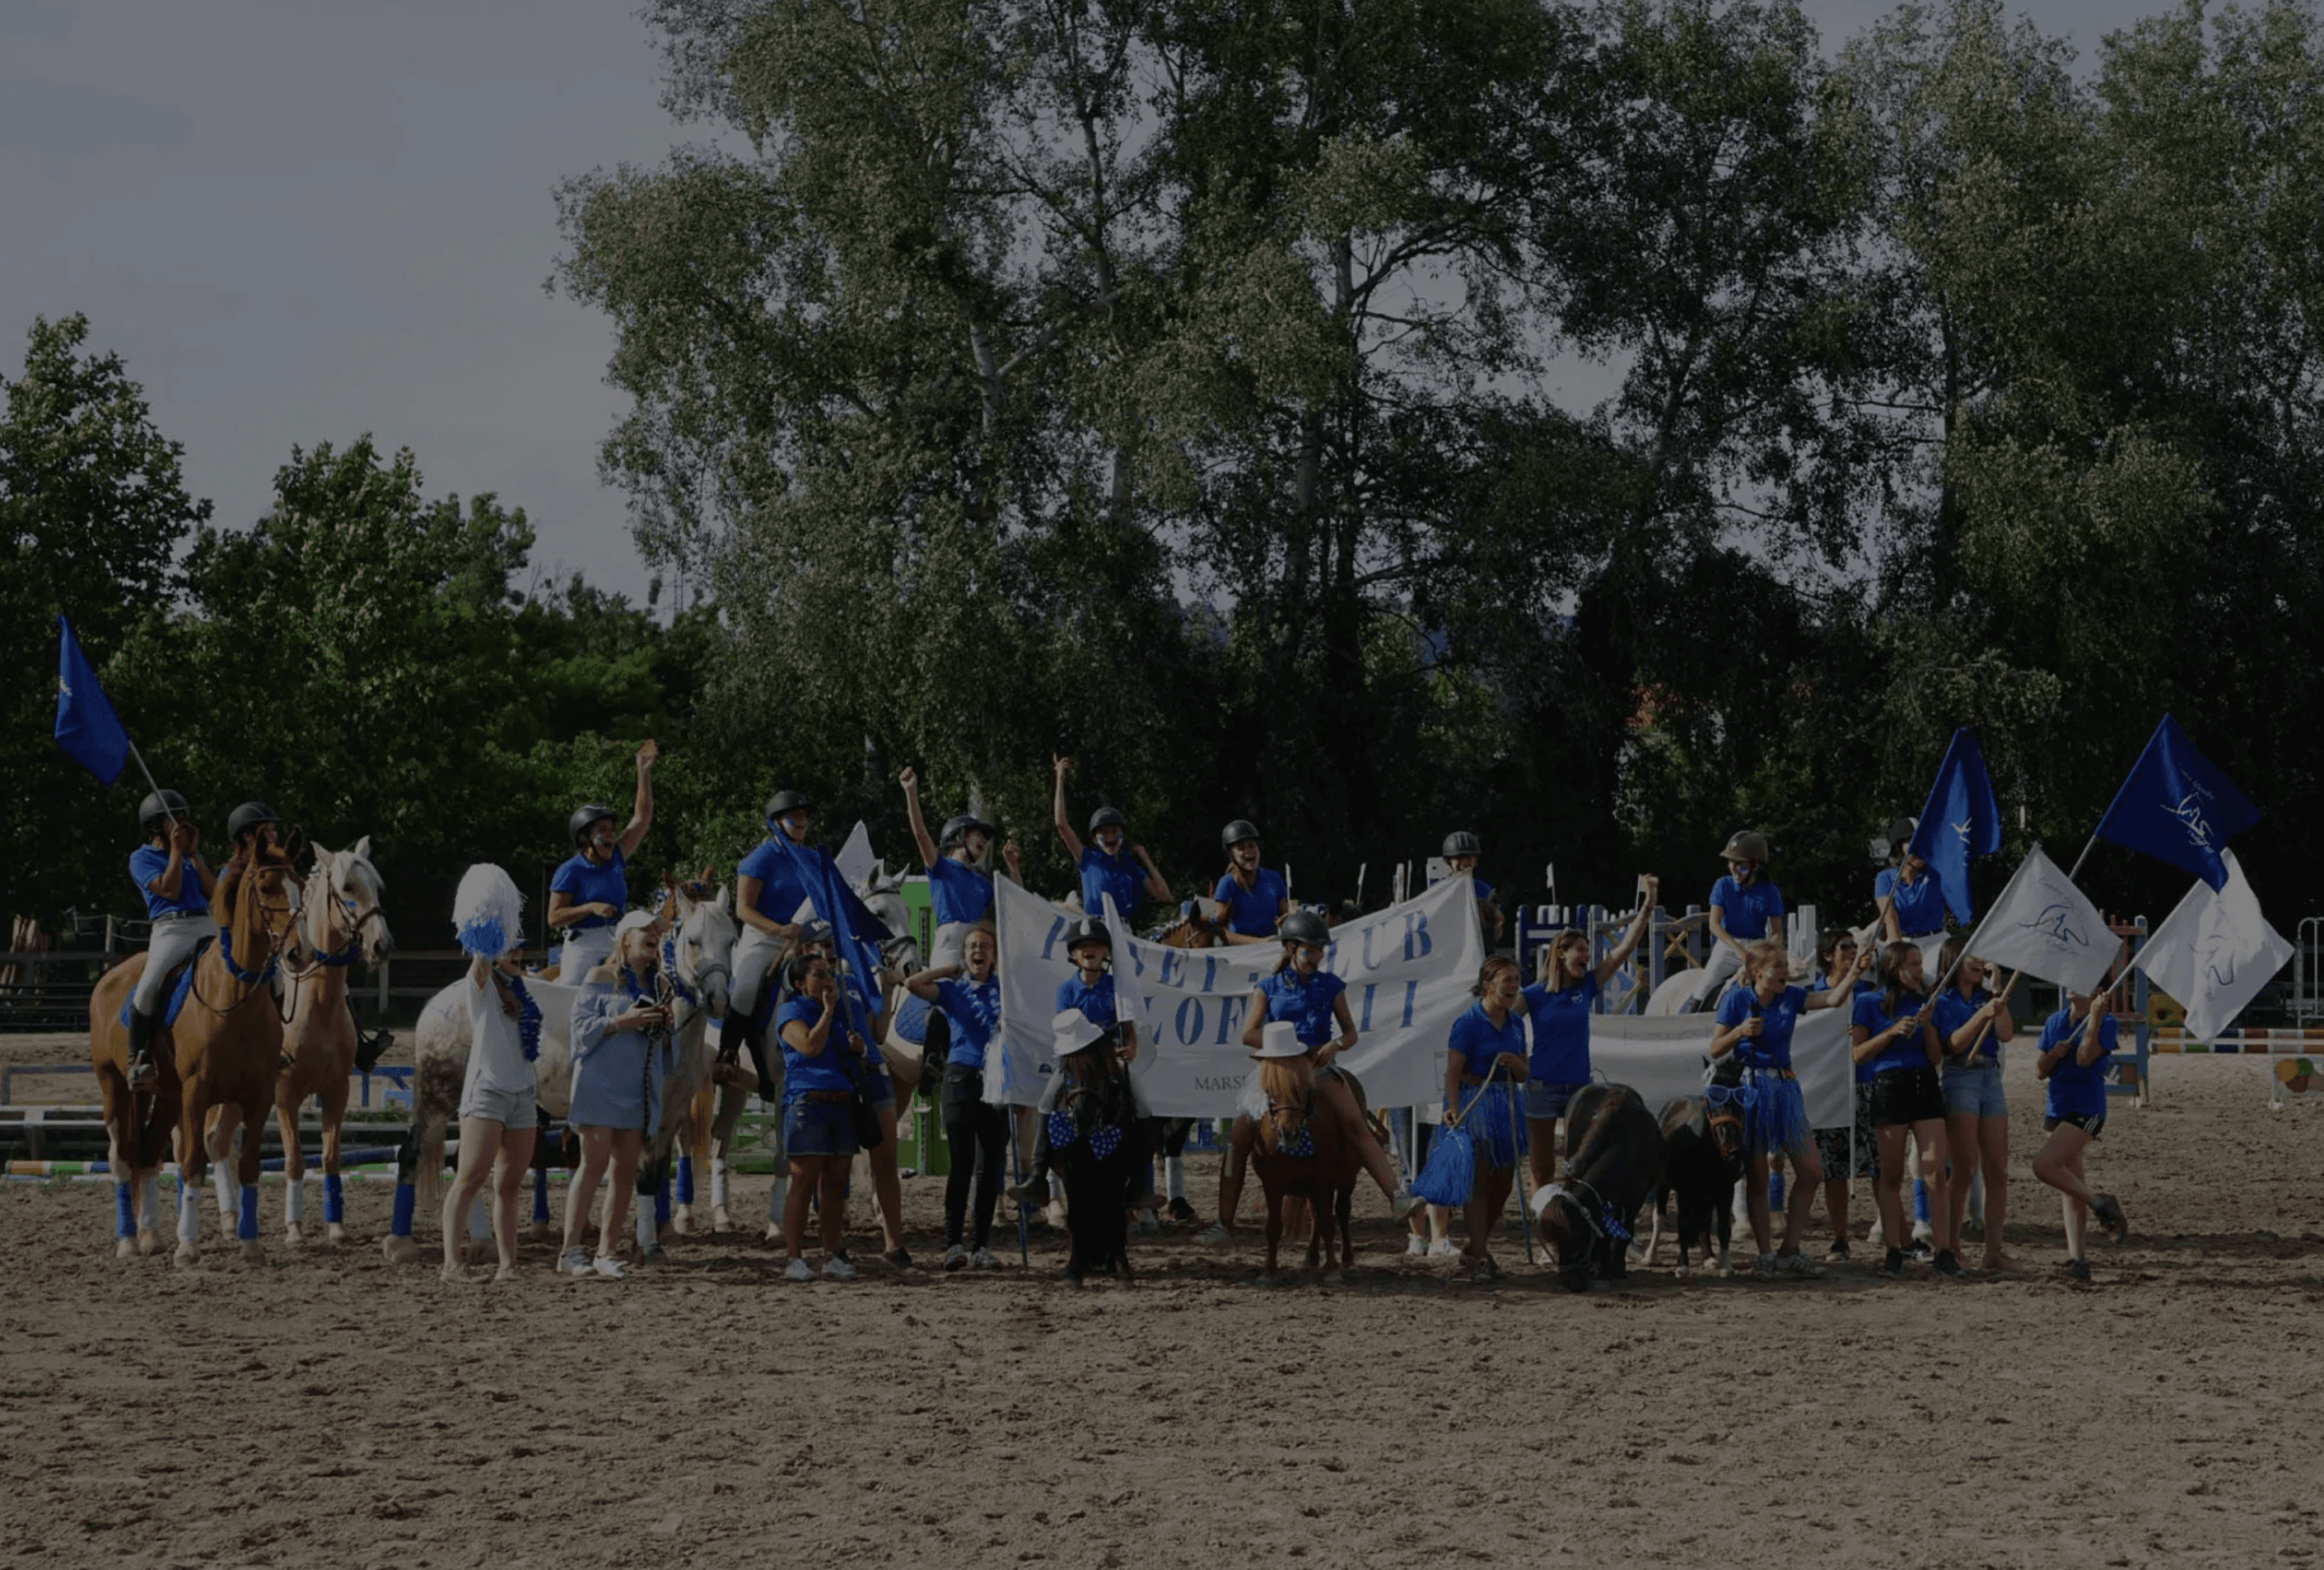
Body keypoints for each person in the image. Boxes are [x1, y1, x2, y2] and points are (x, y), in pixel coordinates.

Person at [1234, 909, 1421, 1225]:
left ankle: (1396, 1196)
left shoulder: (1331, 985)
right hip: (1279, 1071)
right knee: (1240, 1134)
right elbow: (1248, 1033)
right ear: (1291, 948)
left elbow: (1350, 1034)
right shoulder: (1267, 987)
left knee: (1356, 1124)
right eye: (1310, 950)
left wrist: (1335, 1045)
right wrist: (1283, 1046)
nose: (1316, 956)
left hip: (1320, 1069)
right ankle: (1224, 1220)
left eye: (1321, 950)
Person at [1706, 938, 1863, 1278]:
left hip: (1787, 1084)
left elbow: (1834, 999)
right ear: (1756, 972)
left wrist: (1853, 972)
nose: (1785, 972)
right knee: (1759, 1175)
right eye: (1777, 967)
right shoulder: (1736, 999)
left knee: (1811, 1170)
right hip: (1753, 1086)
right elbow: (1715, 1047)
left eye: (1784, 966)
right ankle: (1765, 1255)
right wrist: (1739, 1032)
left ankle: (1790, 1248)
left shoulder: (1791, 996)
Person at [558, 910, 674, 1279]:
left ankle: (607, 1251)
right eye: (647, 929)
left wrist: (663, 1024)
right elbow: (578, 1032)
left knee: (625, 1171)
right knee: (592, 1166)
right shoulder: (599, 977)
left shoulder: (660, 986)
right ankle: (571, 1250)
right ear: (625, 939)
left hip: (637, 1087)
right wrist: (622, 1022)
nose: (655, 934)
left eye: (658, 930)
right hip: (599, 1084)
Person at [440, 864, 540, 1284]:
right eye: (510, 949)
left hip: (522, 1094)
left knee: (510, 1186)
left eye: (519, 950)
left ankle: (508, 1264)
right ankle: (451, 1263)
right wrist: (487, 921)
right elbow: (481, 960)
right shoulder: (478, 984)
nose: (517, 955)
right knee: (470, 1178)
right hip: (487, 1092)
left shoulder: (524, 991)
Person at [1523, 878, 1657, 1190]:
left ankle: (1571, 1214)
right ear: (1561, 954)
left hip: (1579, 1087)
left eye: (1588, 950)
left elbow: (1625, 949)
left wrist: (1647, 907)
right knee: (1542, 1167)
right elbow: (1499, 1012)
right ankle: (1543, 1217)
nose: (1587, 955)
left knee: (1580, 1162)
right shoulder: (1535, 993)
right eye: (1580, 950)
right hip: (1541, 1086)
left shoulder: (1588, 986)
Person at [1850, 940, 1958, 1278]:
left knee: (1935, 1171)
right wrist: (1892, 1032)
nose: (1918, 970)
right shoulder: (1868, 1002)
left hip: (1924, 1085)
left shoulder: (1928, 1003)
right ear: (1893, 968)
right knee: (1891, 1173)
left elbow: (1937, 1057)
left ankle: (1944, 1250)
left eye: (1919, 963)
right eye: (1912, 964)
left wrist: (1927, 1027)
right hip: (1889, 1087)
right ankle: (1894, 1248)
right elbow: (1858, 1054)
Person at [905, 923, 1008, 1270]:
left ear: (994, 955)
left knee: (989, 1168)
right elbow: (913, 984)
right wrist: (948, 969)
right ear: (965, 955)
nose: (979, 951)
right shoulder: (952, 989)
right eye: (972, 947)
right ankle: (954, 1244)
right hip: (961, 1079)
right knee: (962, 1165)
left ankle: (981, 1245)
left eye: (986, 946)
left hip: (997, 1082)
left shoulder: (1007, 989)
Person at [777, 951, 870, 1281]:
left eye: (829, 972)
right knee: (802, 1182)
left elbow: (841, 1056)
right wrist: (829, 1012)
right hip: (808, 1103)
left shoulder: (839, 1015)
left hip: (840, 1102)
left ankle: (833, 1254)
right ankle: (794, 1258)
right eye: (818, 973)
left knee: (834, 1186)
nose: (827, 978)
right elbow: (810, 1047)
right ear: (801, 983)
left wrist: (856, 1049)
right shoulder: (791, 1012)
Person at [2031, 987, 2130, 1283]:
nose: (2072, 983)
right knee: (2070, 1186)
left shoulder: (2106, 1021)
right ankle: (2078, 1259)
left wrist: (2095, 1020)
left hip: (2086, 1110)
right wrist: (2053, 1054)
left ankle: (2101, 1203)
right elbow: (2039, 1071)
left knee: (2044, 1166)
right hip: (2057, 1107)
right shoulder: (2055, 1021)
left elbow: (2086, 1058)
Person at [727, 789, 821, 1100]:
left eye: (805, 817)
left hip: (806, 939)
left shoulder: (811, 858)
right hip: (765, 938)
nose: (802, 822)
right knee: (744, 990)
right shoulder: (760, 858)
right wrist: (779, 929)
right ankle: (726, 1054)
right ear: (776, 822)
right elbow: (743, 909)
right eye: (795, 817)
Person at [1443, 956, 1531, 1282]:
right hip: (1474, 1101)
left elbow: (1525, 1070)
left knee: (1504, 1183)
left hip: (1506, 1103)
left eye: (1516, 980)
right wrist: (1451, 1107)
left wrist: (1517, 1067)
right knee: (1477, 1179)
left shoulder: (1517, 1023)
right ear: (1487, 985)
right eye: (1506, 980)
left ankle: (1474, 1246)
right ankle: (1480, 1255)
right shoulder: (1467, 1023)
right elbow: (1453, 1070)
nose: (1513, 986)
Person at [1933, 935, 2016, 1271]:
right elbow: (1952, 1044)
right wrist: (1981, 1014)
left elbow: (2007, 1034)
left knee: (1997, 1167)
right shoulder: (1942, 1000)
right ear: (1956, 961)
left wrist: (1997, 994)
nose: (1981, 963)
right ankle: (1951, 1246)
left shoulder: (1988, 997)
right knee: (1965, 1167)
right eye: (1974, 958)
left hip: (1990, 1076)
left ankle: (1993, 1251)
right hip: (1959, 1076)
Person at [124, 790, 216, 1089]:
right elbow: (168, 890)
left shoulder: (189, 855)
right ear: (155, 824)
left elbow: (214, 892)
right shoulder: (141, 858)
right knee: (148, 987)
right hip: (171, 930)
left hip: (206, 922)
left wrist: (194, 856)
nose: (183, 823)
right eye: (175, 818)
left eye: (184, 818)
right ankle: (138, 1059)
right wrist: (177, 853)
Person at [1045, 1008, 1142, 1286]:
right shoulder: (1068, 989)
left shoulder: (1114, 987)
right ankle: (1037, 1175)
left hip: (1105, 1060)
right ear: (1076, 959)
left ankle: (1142, 1180)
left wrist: (1128, 1041)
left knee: (1143, 1103)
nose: (1090, 959)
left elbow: (1127, 1020)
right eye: (1085, 957)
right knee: (1045, 1102)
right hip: (1071, 1066)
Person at [547, 741, 657, 979]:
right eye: (604, 830)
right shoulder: (570, 870)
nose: (612, 835)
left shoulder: (616, 857)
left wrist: (643, 771)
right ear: (585, 838)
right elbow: (553, 918)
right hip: (583, 946)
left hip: (618, 940)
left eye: (612, 829)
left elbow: (643, 816)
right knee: (574, 997)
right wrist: (590, 907)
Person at [900, 768, 1020, 967]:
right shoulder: (940, 867)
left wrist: (1013, 867)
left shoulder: (983, 883)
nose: (984, 842)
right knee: (947, 996)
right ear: (958, 837)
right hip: (950, 946)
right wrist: (911, 792)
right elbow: (920, 833)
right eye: (978, 835)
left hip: (977, 946)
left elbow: (1016, 902)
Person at [1807, 926, 1878, 1260]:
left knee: (1879, 1166)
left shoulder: (1872, 993)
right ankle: (1840, 1238)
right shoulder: (1810, 995)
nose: (1853, 950)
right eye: (1845, 945)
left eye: (1855, 945)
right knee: (1833, 1169)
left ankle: (1892, 1231)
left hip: (1867, 1084)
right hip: (1830, 1089)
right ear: (1827, 955)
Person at [1050, 755, 1171, 923]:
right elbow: (1061, 824)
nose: (1110, 837)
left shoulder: (1130, 867)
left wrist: (1145, 857)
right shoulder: (1087, 858)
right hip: (1095, 929)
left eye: (1114, 831)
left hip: (1124, 932)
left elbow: (1164, 895)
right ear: (1094, 839)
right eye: (1104, 833)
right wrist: (1060, 780)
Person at [1688, 830, 1784, 1010]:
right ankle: (1690, 1016)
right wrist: (1739, 951)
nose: (1733, 867)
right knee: (1705, 986)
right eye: (1731, 862)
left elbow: (1777, 933)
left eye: (1740, 863)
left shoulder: (1770, 891)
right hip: (1728, 946)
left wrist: (1767, 952)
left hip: (1757, 947)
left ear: (1755, 865)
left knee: (1777, 986)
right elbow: (1714, 925)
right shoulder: (1722, 885)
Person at [1874, 818, 1947, 984]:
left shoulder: (1937, 873)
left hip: (1935, 942)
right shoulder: (1885, 878)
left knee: (1929, 981)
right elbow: (1890, 918)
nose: (1919, 848)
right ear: (1899, 847)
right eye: (1912, 842)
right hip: (1901, 941)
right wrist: (1900, 956)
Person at [1210, 820, 1290, 945]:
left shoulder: (1274, 878)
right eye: (1241, 848)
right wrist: (1259, 942)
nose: (1248, 851)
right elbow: (1219, 931)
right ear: (1231, 854)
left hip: (1272, 946)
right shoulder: (1226, 884)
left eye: (1252, 846)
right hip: (1241, 953)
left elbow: (1284, 914)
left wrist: (1287, 921)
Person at [1441, 830, 1504, 942]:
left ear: (1476, 860)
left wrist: (1495, 919)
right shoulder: (1439, 891)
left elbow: (1496, 934)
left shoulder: (1484, 890)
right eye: (1460, 858)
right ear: (1448, 861)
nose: (1465, 863)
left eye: (1470, 858)